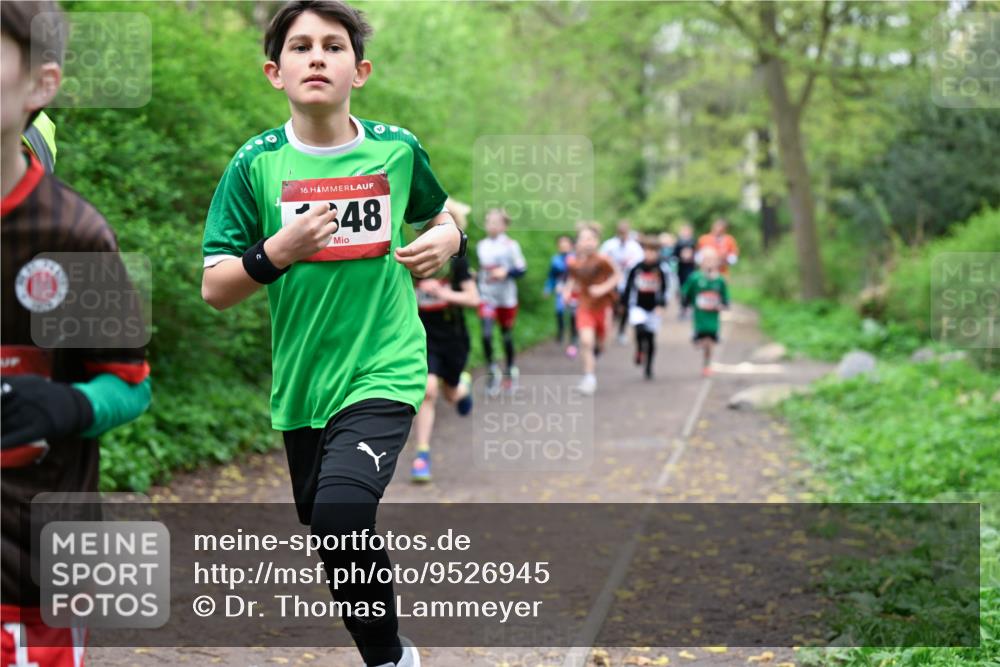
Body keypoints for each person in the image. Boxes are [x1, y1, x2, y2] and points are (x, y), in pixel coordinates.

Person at [200, 2, 463, 665]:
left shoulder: (396, 149)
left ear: (360, 69)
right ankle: (391, 651)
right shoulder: (254, 165)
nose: (317, 56)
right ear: (275, 71)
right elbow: (216, 288)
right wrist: (276, 251)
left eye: (334, 46)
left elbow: (441, 213)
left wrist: (448, 239)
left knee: (344, 518)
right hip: (305, 383)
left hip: (386, 366)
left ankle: (388, 661)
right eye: (300, 46)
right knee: (331, 530)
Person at [2, 2, 152, 664]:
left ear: (42, 85)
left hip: (30, 566)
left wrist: (69, 404)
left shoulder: (70, 236)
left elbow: (129, 387)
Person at [410, 199, 478, 483]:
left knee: (451, 394)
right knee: (428, 390)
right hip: (423, 336)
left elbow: (473, 299)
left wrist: (442, 294)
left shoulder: (458, 261)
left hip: (453, 337)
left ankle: (462, 386)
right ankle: (421, 456)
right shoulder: (412, 256)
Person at [564, 223, 621, 395]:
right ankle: (589, 377)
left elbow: (617, 275)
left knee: (601, 345)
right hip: (585, 306)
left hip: (603, 308)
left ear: (596, 241)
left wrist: (603, 288)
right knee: (586, 341)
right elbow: (573, 280)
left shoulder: (603, 260)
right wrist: (567, 292)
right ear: (578, 243)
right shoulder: (574, 263)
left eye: (590, 239)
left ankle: (596, 354)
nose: (587, 242)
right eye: (583, 239)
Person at [475, 207, 526, 396]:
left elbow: (522, 270)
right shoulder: (482, 245)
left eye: (495, 222)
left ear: (504, 225)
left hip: (506, 299)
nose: (491, 225)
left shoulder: (511, 246)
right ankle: (492, 370)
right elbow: (483, 270)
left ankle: (510, 369)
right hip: (487, 297)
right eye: (488, 221)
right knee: (486, 335)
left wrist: (506, 272)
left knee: (506, 336)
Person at [623, 236, 669, 380]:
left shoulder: (662, 269)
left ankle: (649, 367)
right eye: (647, 251)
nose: (650, 254)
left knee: (650, 338)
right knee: (639, 329)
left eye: (653, 251)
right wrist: (624, 303)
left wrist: (661, 305)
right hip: (638, 305)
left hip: (654, 308)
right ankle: (639, 349)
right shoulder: (636, 267)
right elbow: (628, 286)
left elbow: (666, 288)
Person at [681, 247, 730, 377]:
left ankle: (707, 365)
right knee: (703, 341)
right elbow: (685, 292)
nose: (709, 262)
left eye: (713, 259)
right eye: (707, 259)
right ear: (701, 261)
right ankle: (696, 337)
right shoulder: (695, 278)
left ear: (717, 262)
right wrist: (687, 304)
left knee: (710, 342)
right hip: (699, 316)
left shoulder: (720, 280)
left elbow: (725, 298)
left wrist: (723, 305)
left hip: (713, 317)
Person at [599, 219, 643, 345]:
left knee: (626, 306)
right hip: (611, 281)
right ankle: (608, 329)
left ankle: (621, 331)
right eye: (621, 231)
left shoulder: (634, 246)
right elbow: (601, 260)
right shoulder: (609, 245)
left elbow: (639, 263)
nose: (623, 234)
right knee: (611, 306)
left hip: (628, 282)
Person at [545, 234, 578, 357]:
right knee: (559, 311)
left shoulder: (576, 258)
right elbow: (551, 276)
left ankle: (574, 339)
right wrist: (548, 288)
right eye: (561, 244)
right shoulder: (555, 260)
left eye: (566, 244)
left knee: (574, 315)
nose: (563, 246)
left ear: (571, 245)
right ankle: (561, 332)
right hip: (560, 289)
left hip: (574, 291)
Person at [672, 222, 697, 319]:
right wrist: (680, 258)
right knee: (682, 288)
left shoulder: (693, 242)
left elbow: (698, 255)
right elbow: (674, 255)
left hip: (691, 269)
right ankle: (683, 307)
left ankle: (688, 307)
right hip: (681, 269)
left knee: (690, 288)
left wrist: (691, 258)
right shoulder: (678, 243)